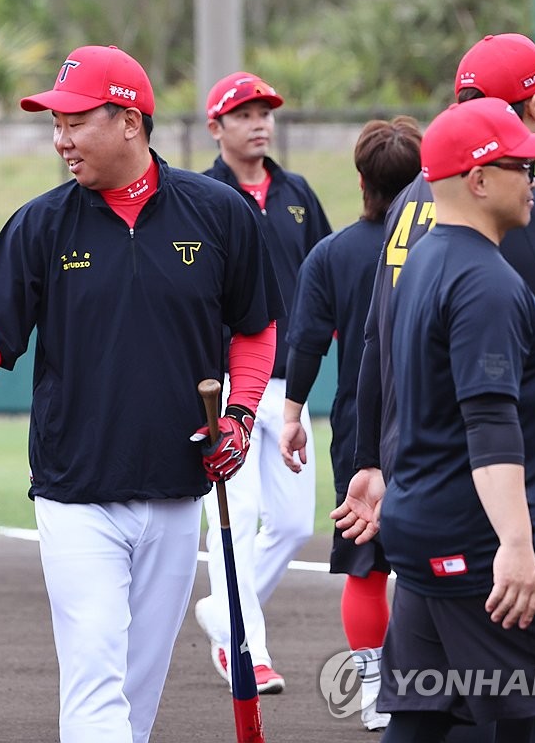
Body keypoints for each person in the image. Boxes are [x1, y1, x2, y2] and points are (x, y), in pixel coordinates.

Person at [0, 45, 283, 743]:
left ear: (130, 121)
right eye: (55, 124)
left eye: (74, 122)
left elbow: (255, 332)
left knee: (138, 690)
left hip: (177, 487)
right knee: (96, 678)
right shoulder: (41, 224)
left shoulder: (218, 214)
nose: (60, 140)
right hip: (75, 491)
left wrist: (242, 414)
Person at [338, 96, 535, 741]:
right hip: (482, 537)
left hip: (421, 525)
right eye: (523, 167)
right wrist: (518, 545)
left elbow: (400, 381)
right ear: (479, 180)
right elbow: (489, 423)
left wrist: (377, 467)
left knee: (431, 713)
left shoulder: (423, 261)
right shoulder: (484, 280)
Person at [278, 115, 422, 730]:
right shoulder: (444, 244)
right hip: (433, 420)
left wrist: (291, 415)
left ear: (361, 179)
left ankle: (371, 684)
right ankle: (435, 682)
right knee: (436, 558)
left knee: (366, 563)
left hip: (361, 428)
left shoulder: (331, 254)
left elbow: (305, 344)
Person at [192, 71, 332, 695]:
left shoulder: (297, 192)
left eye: (266, 111)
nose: (260, 122)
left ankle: (224, 614)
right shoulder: (198, 195)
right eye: (244, 113)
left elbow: (324, 273)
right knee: (238, 513)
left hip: (289, 385)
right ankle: (245, 647)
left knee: (296, 524)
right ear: (215, 126)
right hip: (223, 384)